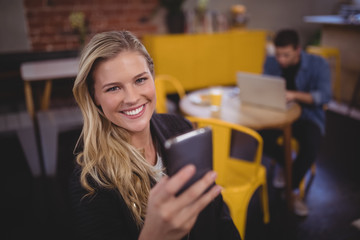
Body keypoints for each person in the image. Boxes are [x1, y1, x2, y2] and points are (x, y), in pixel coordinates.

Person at [69, 30, 241, 240]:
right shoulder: (90, 181)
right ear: (94, 96)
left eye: (140, 80)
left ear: (152, 77)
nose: (132, 98)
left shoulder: (180, 128)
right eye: (113, 88)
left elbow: (219, 218)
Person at [260, 29, 332, 216]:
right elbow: (265, 86)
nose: (281, 60)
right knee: (258, 138)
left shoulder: (318, 64)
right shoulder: (271, 62)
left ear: (298, 50)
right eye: (278, 55)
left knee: (311, 147)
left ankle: (291, 191)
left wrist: (294, 95)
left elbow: (325, 96)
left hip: (308, 116)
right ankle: (287, 164)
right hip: (278, 114)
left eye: (286, 55)